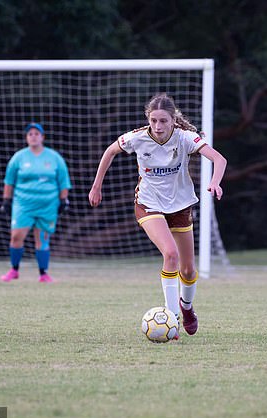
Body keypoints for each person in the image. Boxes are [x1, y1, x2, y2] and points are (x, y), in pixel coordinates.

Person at [88, 93, 226, 336]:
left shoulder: (185, 138)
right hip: (148, 203)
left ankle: (186, 308)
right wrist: (96, 186)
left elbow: (219, 159)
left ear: (173, 120)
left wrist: (215, 182)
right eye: (153, 120)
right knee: (170, 254)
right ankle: (171, 322)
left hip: (181, 206)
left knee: (188, 271)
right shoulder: (137, 138)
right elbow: (109, 152)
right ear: (148, 119)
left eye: (163, 121)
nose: (158, 126)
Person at [0, 123, 72, 283]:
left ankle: (43, 273)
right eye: (30, 134)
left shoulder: (54, 158)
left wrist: (63, 200)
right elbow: (9, 181)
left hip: (48, 205)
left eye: (36, 133)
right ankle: (14, 270)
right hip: (23, 204)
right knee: (17, 236)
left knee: (42, 238)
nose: (33, 136)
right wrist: (6, 200)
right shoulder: (19, 157)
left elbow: (63, 181)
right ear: (26, 138)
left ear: (42, 137)